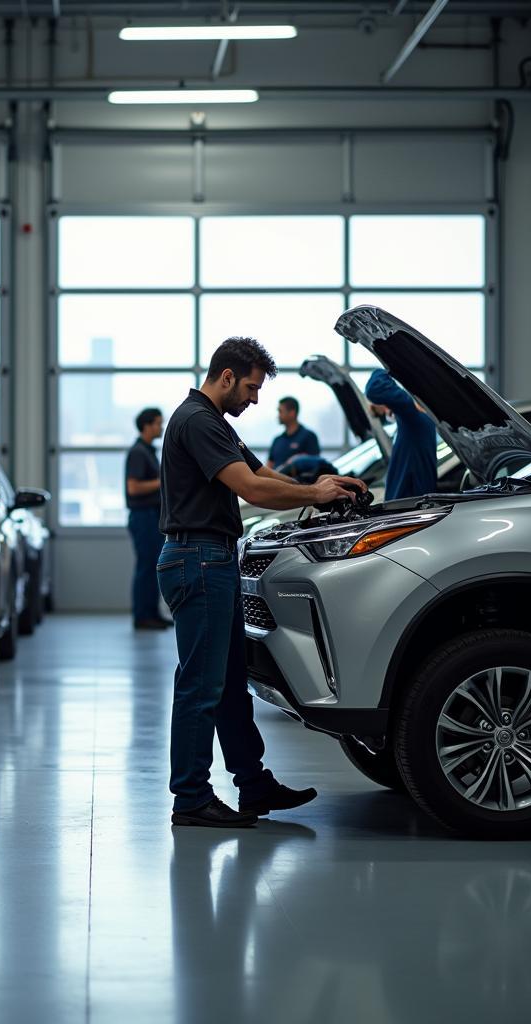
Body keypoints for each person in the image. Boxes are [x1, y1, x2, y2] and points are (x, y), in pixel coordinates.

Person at [158, 337, 366, 828]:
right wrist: (310, 494)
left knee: (230, 685)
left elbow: (261, 471)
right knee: (200, 687)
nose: (254, 400)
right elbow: (250, 489)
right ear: (226, 377)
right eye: (251, 388)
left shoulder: (215, 424)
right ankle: (190, 798)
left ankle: (252, 784)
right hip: (198, 561)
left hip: (213, 561)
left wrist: (322, 487)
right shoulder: (197, 421)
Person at [125, 407, 170, 631]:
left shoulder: (149, 451)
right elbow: (133, 488)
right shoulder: (138, 452)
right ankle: (142, 616)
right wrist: (163, 481)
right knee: (146, 567)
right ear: (147, 425)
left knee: (153, 567)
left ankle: (152, 613)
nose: (160, 427)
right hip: (143, 517)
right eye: (158, 423)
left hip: (152, 517)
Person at [365, 369, 438, 500]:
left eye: (379, 407)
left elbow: (374, 388)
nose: (385, 413)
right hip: (412, 502)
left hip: (409, 504)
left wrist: (388, 367)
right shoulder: (414, 419)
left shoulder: (412, 416)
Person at [268, 396, 320, 471]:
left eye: (280, 411)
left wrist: (296, 460)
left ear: (292, 413)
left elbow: (315, 464)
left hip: (298, 482)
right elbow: (269, 465)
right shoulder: (277, 440)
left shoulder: (309, 436)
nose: (278, 415)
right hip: (276, 481)